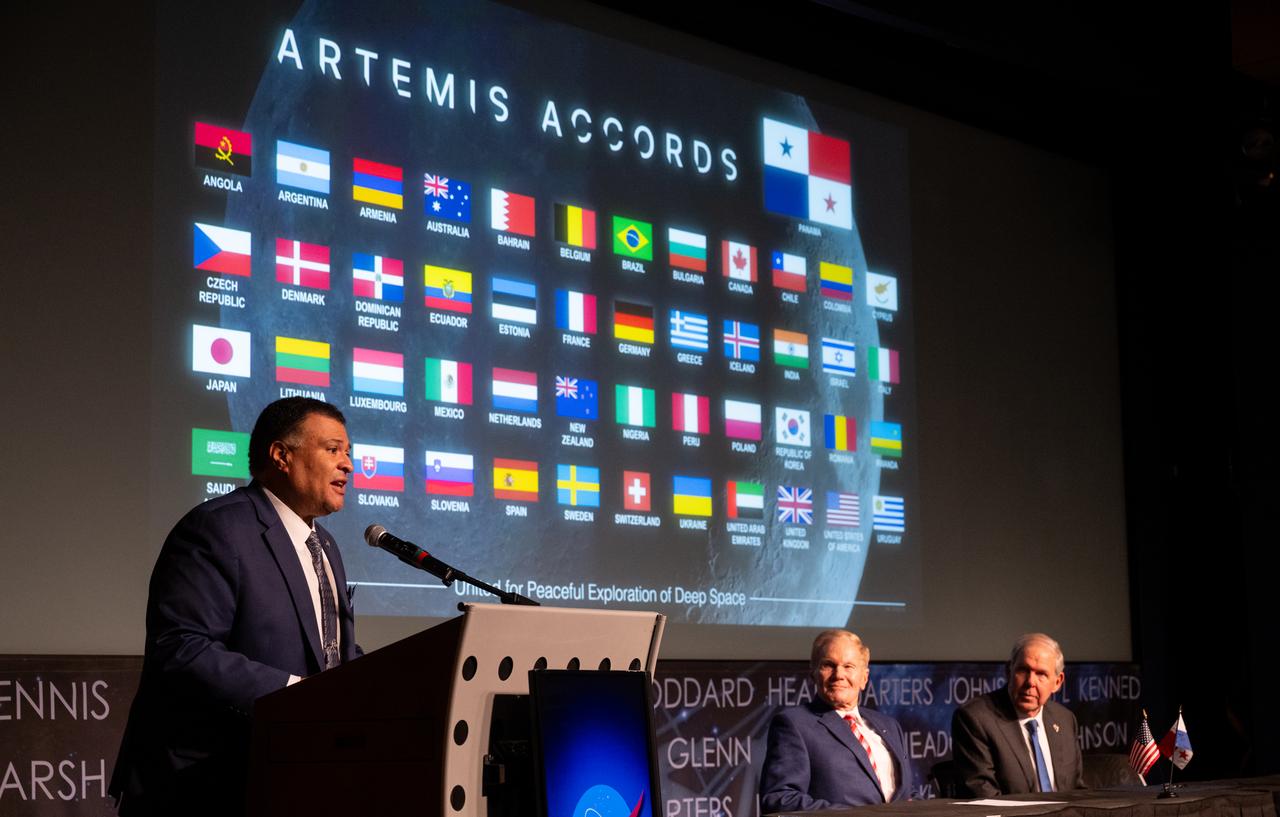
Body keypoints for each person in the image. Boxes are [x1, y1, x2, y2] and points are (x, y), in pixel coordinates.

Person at [110, 398, 362, 816]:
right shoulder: (218, 528)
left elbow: (331, 653)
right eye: (333, 449)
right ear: (281, 455)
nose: (348, 465)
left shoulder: (326, 546)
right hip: (204, 784)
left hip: (291, 775)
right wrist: (295, 696)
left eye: (348, 453)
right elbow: (181, 647)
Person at [759, 630, 913, 812]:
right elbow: (780, 798)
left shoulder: (889, 725)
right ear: (813, 674)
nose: (838, 674)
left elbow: (908, 793)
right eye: (828, 665)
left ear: (864, 678)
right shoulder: (794, 724)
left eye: (849, 666)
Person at [950, 632, 1084, 797]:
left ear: (1057, 682)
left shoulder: (1064, 720)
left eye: (1041, 674)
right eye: (1023, 670)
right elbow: (983, 797)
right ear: (1008, 671)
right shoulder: (976, 719)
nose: (1030, 682)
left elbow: (1076, 790)